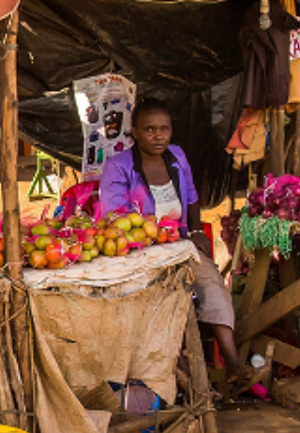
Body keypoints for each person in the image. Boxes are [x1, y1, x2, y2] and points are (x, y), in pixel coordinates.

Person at [98, 99, 241, 374]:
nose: (158, 135)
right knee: (167, 301)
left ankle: (232, 362)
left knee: (212, 285)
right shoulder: (119, 166)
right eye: (149, 129)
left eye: (164, 129)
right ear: (135, 132)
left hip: (180, 244)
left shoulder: (176, 157)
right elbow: (114, 214)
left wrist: (196, 230)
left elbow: (192, 197)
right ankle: (181, 372)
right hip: (140, 252)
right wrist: (154, 236)